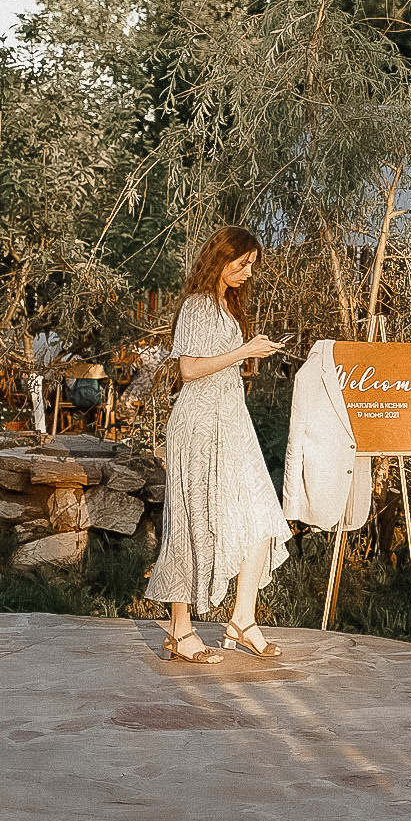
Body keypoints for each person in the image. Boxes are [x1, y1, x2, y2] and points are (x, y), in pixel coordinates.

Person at [145, 227, 291, 665]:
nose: (247, 272)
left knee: (261, 513)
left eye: (251, 265)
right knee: (192, 519)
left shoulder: (227, 307)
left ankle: (242, 619)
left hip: (231, 423)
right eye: (241, 262)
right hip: (198, 423)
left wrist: (247, 356)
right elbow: (187, 369)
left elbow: (219, 368)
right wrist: (244, 351)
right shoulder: (197, 306)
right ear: (219, 258)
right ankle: (180, 631)